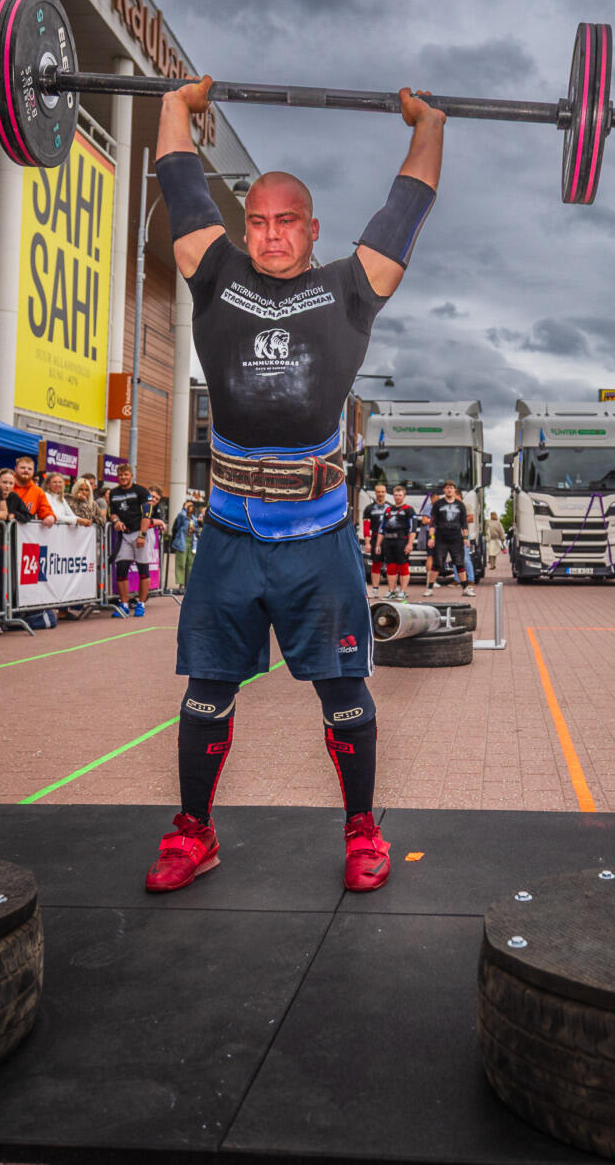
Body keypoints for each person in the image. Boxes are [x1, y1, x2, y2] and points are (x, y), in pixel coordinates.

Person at [138, 74, 442, 895]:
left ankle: (362, 829)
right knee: (207, 691)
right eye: (259, 221)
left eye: (287, 221)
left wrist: (428, 123)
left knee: (345, 693)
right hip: (231, 534)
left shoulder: (350, 287)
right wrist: (175, 106)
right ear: (246, 226)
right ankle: (194, 832)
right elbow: (180, 179)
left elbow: (408, 206)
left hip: (318, 537)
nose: (271, 235)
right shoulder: (214, 272)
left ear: (313, 228)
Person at [103, 462, 153, 615]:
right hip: (124, 535)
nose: (123, 477)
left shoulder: (141, 491)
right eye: (120, 475)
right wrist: (116, 521)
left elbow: (147, 514)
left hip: (140, 532)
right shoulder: (113, 493)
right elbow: (112, 513)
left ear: (131, 476)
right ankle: (124, 604)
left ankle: (141, 604)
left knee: (143, 570)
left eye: (126, 475)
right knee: (121, 569)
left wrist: (142, 535)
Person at [425, 480, 469, 597]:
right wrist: (431, 537)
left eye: (451, 488)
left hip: (456, 538)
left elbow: (464, 523)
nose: (449, 490)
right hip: (441, 538)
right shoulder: (438, 504)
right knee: (437, 563)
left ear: (454, 490)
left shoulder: (460, 505)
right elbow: (432, 523)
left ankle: (465, 588)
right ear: (444, 490)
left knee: (459, 563)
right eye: (447, 488)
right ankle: (429, 588)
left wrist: (465, 538)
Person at [377, 484, 419, 601]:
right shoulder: (388, 510)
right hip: (388, 542)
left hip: (402, 542)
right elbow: (381, 529)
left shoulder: (409, 510)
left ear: (404, 496)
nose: (397, 497)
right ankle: (391, 591)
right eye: (395, 495)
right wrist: (378, 544)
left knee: (403, 566)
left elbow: (413, 529)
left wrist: (410, 544)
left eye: (400, 495)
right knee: (390, 567)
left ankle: (402, 591)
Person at [359, 483, 392, 593]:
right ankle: (375, 589)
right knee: (376, 564)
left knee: (391, 564)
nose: (380, 494)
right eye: (378, 492)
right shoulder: (369, 509)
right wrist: (367, 543)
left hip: (389, 539)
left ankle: (391, 590)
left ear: (385, 493)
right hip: (375, 538)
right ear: (375, 493)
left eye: (382, 492)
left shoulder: (391, 508)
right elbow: (366, 528)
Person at [11, 456, 55, 524]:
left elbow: (45, 509)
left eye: (30, 469)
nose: (26, 470)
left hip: (26, 528)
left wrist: (49, 516)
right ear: (15, 468)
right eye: (22, 468)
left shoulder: (38, 491)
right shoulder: (5, 484)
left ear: (33, 471)